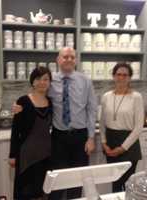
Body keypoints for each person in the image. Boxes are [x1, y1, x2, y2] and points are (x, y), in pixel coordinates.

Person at [13, 47, 97, 199]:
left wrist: (91, 138)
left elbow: (91, 110)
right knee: (56, 180)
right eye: (65, 57)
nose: (69, 60)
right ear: (58, 60)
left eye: (72, 57)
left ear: (76, 60)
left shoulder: (85, 81)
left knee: (77, 179)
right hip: (58, 138)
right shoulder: (50, 81)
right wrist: (20, 105)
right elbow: (37, 94)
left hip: (80, 137)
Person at [9, 66, 53, 200]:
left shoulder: (50, 102)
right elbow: (15, 130)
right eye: (38, 79)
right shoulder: (23, 101)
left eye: (46, 79)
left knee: (42, 192)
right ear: (32, 81)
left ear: (50, 82)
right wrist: (12, 155)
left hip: (45, 155)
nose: (42, 82)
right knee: (25, 192)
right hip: (26, 155)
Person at [100, 63, 144, 192]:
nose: (121, 78)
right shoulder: (106, 96)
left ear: (129, 78)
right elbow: (102, 122)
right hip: (110, 143)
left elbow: (138, 126)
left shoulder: (136, 97)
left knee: (127, 184)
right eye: (118, 74)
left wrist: (123, 148)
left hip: (128, 145)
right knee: (115, 182)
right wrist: (104, 143)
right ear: (114, 76)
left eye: (125, 75)